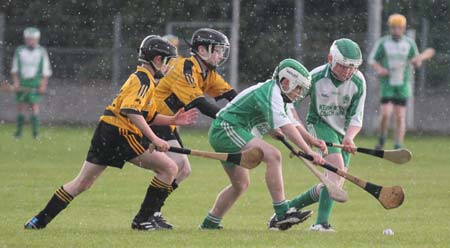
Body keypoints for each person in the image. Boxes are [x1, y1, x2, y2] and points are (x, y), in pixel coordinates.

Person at [24, 35, 198, 231]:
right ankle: (143, 219)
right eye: (167, 61)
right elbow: (131, 111)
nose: (167, 67)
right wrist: (155, 138)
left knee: (83, 183)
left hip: (106, 130)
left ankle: (38, 221)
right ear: (157, 60)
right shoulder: (143, 80)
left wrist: (172, 120)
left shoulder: (143, 79)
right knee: (169, 168)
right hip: (120, 133)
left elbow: (146, 114)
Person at [199, 58, 327, 230]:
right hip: (226, 130)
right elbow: (287, 128)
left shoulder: (281, 98)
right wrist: (308, 152)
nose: (299, 93)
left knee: (240, 184)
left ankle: (209, 224)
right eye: (298, 87)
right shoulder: (271, 92)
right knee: (273, 155)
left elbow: (291, 123)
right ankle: (282, 212)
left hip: (232, 131)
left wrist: (310, 141)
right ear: (286, 82)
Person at [286, 38, 366, 232]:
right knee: (336, 168)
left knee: (334, 184)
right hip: (318, 125)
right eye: (343, 66)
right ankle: (321, 224)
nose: (347, 71)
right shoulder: (314, 77)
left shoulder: (358, 81)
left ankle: (289, 207)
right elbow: (289, 105)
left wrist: (349, 137)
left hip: (342, 133)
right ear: (330, 59)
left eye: (352, 67)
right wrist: (300, 132)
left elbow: (357, 116)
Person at [152, 28, 238, 203]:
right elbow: (200, 104)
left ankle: (152, 210)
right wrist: (230, 120)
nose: (221, 55)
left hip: (168, 124)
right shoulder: (184, 67)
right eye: (217, 50)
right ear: (201, 50)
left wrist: (251, 112)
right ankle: (147, 214)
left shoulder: (209, 73)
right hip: (153, 119)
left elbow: (233, 97)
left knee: (183, 170)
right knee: (178, 165)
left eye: (222, 50)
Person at [369, 13, 424, 149]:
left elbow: (417, 61)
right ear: (390, 28)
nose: (396, 30)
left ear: (404, 28)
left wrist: (417, 61)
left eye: (399, 28)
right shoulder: (383, 42)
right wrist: (380, 69)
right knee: (386, 114)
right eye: (394, 27)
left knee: (400, 116)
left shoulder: (409, 43)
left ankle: (398, 145)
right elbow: (372, 60)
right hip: (387, 83)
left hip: (403, 84)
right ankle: (382, 139)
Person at [11, 27, 52, 139]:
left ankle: (35, 134)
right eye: (29, 39)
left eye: (33, 39)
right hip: (22, 82)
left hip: (35, 82)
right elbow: (15, 70)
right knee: (21, 107)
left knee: (34, 107)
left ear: (37, 39)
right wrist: (16, 83)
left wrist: (43, 85)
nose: (31, 41)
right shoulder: (19, 51)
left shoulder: (41, 52)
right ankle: (18, 133)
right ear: (25, 39)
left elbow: (45, 71)